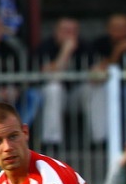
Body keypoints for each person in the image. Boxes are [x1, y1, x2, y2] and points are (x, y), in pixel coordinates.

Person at [35, 16, 97, 149]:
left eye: (72, 31)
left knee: (93, 89)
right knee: (54, 89)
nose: (69, 34)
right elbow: (48, 75)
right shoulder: (46, 46)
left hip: (76, 96)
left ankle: (99, 140)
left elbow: (95, 73)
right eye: (65, 30)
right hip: (51, 97)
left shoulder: (85, 46)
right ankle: (52, 142)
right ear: (56, 31)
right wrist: (66, 51)